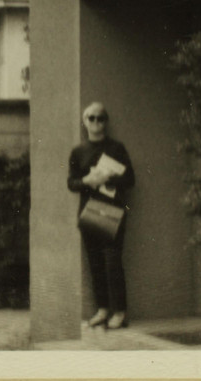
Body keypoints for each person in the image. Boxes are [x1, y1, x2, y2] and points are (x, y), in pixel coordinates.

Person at [68, 102, 135, 329]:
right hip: (89, 210)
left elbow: (130, 179)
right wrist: (87, 181)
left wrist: (108, 178)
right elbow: (71, 183)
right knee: (95, 264)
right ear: (84, 121)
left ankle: (120, 312)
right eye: (92, 118)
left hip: (113, 211)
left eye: (101, 118)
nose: (96, 122)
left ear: (106, 122)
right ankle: (103, 310)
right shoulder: (78, 151)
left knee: (113, 263)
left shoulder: (117, 148)